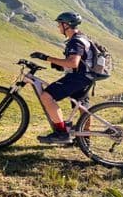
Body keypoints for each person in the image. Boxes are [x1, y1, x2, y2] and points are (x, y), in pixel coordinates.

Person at [30, 11, 94, 144]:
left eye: (59, 24)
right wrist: (58, 65)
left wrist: (46, 58)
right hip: (86, 76)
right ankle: (85, 140)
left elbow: (73, 63)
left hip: (78, 78)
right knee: (82, 107)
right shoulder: (81, 37)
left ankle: (61, 133)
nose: (58, 27)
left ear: (67, 25)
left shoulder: (75, 42)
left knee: (46, 96)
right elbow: (79, 62)